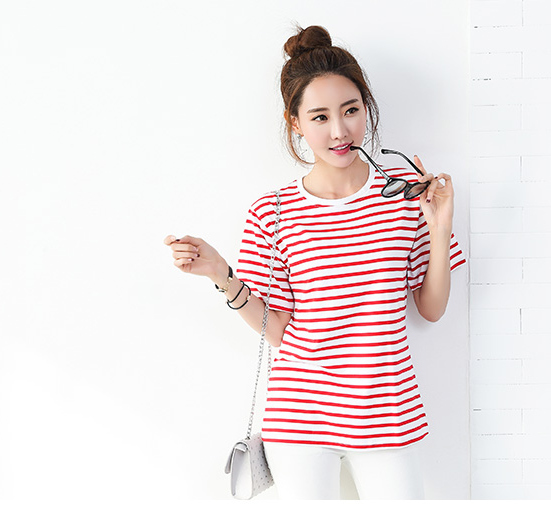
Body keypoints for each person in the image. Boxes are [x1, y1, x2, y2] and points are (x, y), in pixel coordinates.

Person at [163, 24, 465, 500]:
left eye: (351, 110)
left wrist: (439, 226)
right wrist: (221, 274)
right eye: (320, 117)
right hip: (301, 417)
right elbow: (280, 329)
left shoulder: (406, 197)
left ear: (366, 107)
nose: (339, 131)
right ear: (296, 123)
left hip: (388, 413)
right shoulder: (273, 211)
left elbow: (431, 310)